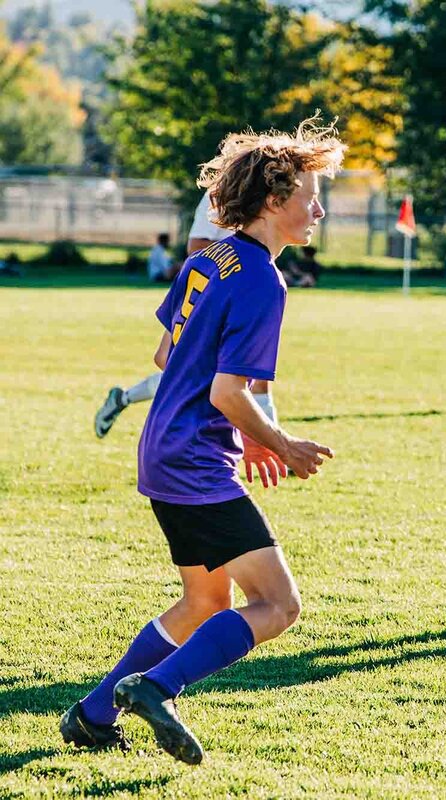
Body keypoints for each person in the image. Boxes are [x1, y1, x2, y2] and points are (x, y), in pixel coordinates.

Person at [60, 118, 345, 765]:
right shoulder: (263, 280)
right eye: (311, 195)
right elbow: (226, 393)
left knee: (204, 600)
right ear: (276, 200)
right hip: (194, 460)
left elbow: (166, 352)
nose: (319, 210)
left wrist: (252, 433)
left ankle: (93, 715)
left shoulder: (209, 259)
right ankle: (155, 687)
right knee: (278, 604)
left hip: (162, 448)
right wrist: (281, 441)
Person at [93, 192, 276, 438]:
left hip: (245, 295)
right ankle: (125, 399)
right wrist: (241, 259)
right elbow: (196, 247)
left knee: (251, 375)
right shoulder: (220, 193)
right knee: (191, 369)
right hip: (213, 296)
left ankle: (272, 449)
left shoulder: (271, 196)